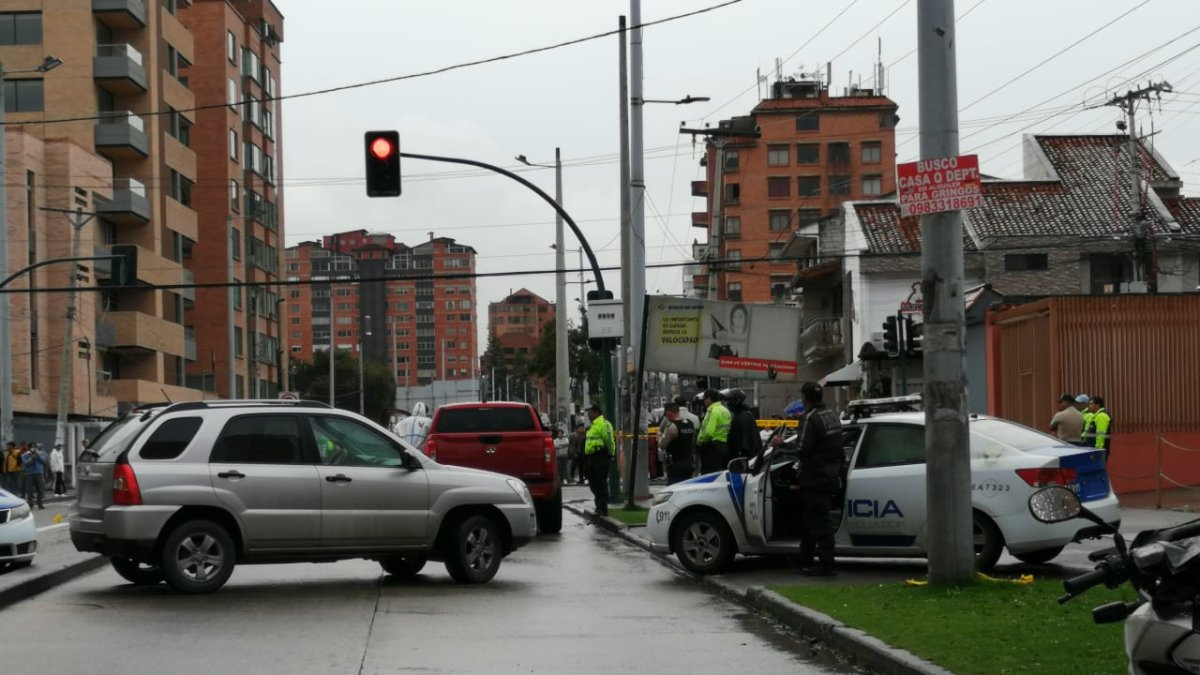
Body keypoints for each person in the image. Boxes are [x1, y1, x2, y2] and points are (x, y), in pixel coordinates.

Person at [790, 381, 843, 577]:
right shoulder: (831, 415)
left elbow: (801, 448)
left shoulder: (810, 418)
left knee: (819, 522)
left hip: (814, 476)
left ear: (805, 397)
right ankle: (805, 558)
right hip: (830, 474)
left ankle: (826, 563)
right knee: (812, 519)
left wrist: (780, 445)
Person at [583, 404, 616, 517]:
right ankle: (598, 506)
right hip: (591, 457)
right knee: (593, 483)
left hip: (600, 456)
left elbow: (609, 441)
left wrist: (611, 453)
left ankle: (602, 508)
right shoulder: (592, 426)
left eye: (590, 412)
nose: (588, 414)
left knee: (600, 483)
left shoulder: (604, 424)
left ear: (597, 413)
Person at [658, 403, 697, 485]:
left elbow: (662, 446)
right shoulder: (690, 424)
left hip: (675, 464)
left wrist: (659, 438)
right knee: (687, 486)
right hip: (689, 462)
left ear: (669, 413)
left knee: (674, 487)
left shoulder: (672, 427)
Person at [695, 389, 732, 474]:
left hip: (712, 448)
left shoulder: (712, 411)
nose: (704, 401)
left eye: (704, 399)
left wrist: (700, 441)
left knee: (709, 475)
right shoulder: (725, 410)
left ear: (709, 399)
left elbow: (708, 432)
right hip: (724, 445)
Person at [724, 388, 760, 460]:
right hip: (748, 454)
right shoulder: (746, 414)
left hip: (743, 457)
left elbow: (739, 441)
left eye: (730, 400)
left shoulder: (741, 416)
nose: (727, 403)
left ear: (736, 401)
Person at [1082, 396, 1113, 463]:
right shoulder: (1096, 416)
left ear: (1098, 405)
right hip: (1093, 449)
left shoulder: (1101, 416)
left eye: (1091, 404)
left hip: (1098, 451)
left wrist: (1098, 451)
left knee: (1098, 471)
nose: (1089, 406)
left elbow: (1100, 435)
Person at [20, 442, 47, 509]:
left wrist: (37, 456)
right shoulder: (25, 455)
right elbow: (25, 463)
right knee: (30, 490)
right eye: (32, 447)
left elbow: (44, 462)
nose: (33, 448)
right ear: (29, 448)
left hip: (39, 474)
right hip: (30, 474)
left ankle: (40, 504)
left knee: (40, 490)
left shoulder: (41, 454)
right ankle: (30, 503)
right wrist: (31, 458)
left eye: (35, 447)